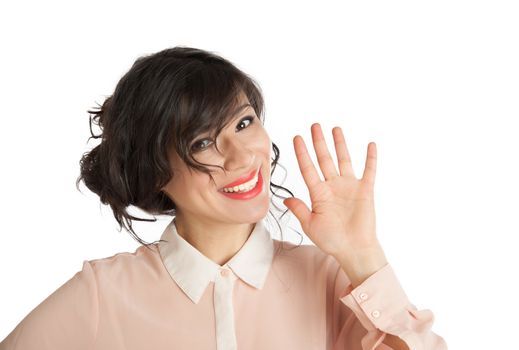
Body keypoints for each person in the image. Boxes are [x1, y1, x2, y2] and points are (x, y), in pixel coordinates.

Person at [0, 46, 447, 350]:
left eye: (243, 123)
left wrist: (363, 255)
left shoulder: (330, 279)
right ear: (155, 172)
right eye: (201, 143)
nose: (241, 156)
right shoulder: (104, 294)